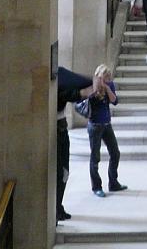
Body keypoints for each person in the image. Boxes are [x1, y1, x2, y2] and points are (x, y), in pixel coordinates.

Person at [56, 66, 94, 222]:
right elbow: (63, 94)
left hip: (62, 130)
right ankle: (55, 209)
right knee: (59, 172)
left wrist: (82, 92)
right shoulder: (56, 80)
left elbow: (73, 87)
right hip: (56, 130)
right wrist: (81, 93)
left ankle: (58, 206)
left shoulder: (59, 75)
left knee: (64, 171)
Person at [85, 64, 126, 197]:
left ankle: (113, 182)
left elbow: (115, 101)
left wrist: (107, 87)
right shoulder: (91, 86)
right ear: (99, 76)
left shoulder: (110, 85)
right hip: (95, 125)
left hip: (107, 124)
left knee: (115, 153)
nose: (108, 78)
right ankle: (96, 186)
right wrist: (97, 88)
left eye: (109, 76)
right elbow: (86, 100)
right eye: (105, 76)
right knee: (95, 157)